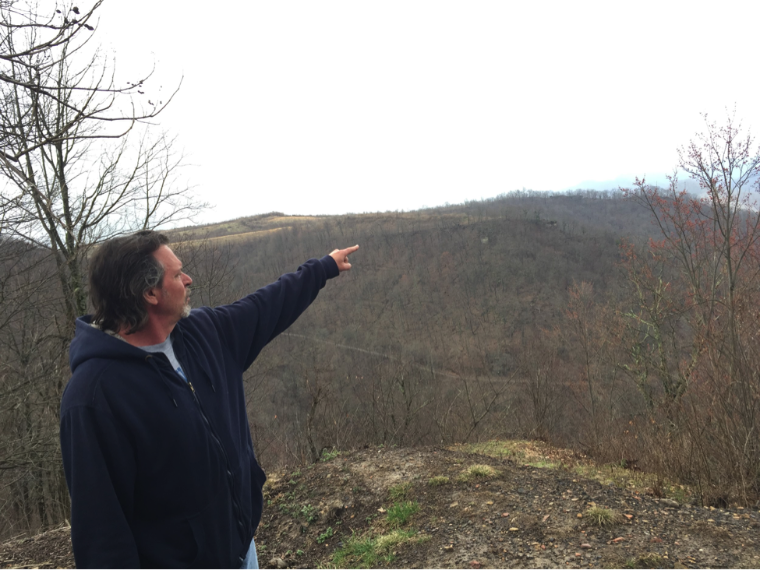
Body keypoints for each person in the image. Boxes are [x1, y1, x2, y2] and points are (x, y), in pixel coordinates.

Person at [59, 230, 358, 569]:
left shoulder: (204, 333)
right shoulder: (94, 398)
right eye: (176, 274)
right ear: (149, 292)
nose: (188, 280)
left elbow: (266, 306)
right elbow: (101, 533)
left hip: (242, 551)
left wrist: (322, 269)